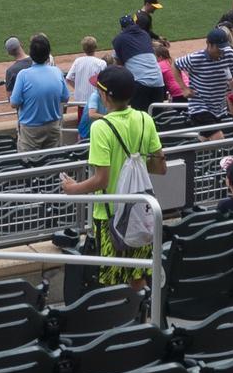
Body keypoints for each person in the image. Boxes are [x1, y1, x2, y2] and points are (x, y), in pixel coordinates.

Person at [59, 69, 164, 287]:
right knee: (138, 277)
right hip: (140, 213)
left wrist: (73, 188)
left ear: (105, 96)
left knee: (112, 283)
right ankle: (142, 319)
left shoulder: (101, 127)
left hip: (110, 218)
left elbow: (101, 180)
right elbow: (160, 166)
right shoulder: (145, 119)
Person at [9, 36, 68, 151]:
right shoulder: (57, 71)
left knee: (30, 164)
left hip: (31, 130)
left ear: (31, 54)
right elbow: (65, 97)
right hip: (53, 127)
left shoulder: (23, 75)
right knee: (53, 163)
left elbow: (14, 103)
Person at [182, 29, 233, 131]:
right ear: (209, 44)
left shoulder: (229, 53)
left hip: (218, 107)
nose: (221, 51)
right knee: (219, 140)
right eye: (218, 48)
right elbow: (175, 65)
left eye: (223, 47)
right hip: (199, 107)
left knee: (206, 140)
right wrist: (184, 88)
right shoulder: (195, 58)